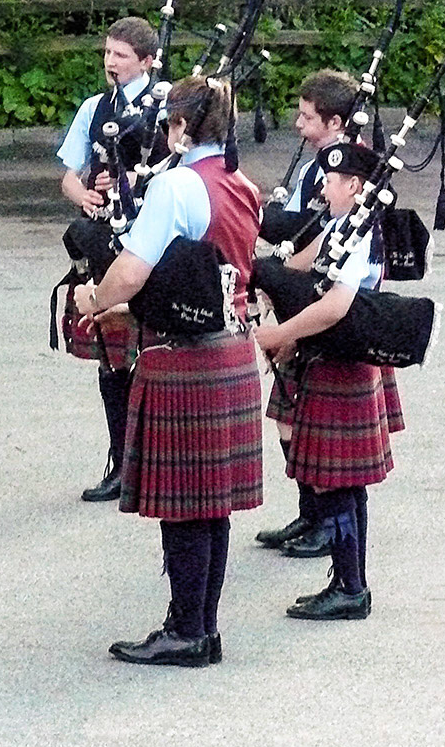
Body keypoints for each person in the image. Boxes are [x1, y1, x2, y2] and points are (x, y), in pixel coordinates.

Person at [74, 75, 263, 667]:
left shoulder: (177, 185)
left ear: (179, 127)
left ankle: (186, 630)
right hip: (233, 350)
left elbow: (132, 271)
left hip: (184, 355)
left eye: (167, 124)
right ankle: (201, 628)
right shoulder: (243, 185)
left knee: (185, 502)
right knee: (213, 504)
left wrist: (94, 299)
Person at [254, 140, 399, 621]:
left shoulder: (361, 233)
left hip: (342, 361)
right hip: (330, 357)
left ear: (355, 186)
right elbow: (299, 266)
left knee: (338, 484)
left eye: (331, 181)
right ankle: (346, 580)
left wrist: (282, 332)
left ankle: (351, 586)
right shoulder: (341, 224)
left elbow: (337, 304)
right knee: (343, 485)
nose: (323, 187)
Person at [56, 16, 165, 502]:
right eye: (107, 53)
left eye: (120, 55)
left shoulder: (167, 108)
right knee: (111, 359)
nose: (110, 62)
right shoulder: (94, 108)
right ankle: (121, 463)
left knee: (151, 359)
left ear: (146, 61)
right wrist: (84, 195)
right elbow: (69, 177)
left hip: (150, 243)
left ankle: (152, 464)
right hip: (104, 241)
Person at [255, 70, 355, 558]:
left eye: (307, 116)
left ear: (335, 122)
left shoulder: (347, 174)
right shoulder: (316, 167)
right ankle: (311, 514)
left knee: (319, 437)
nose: (298, 123)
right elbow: (298, 221)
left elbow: (323, 238)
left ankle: (329, 530)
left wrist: (278, 275)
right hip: (301, 298)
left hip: (321, 307)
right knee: (288, 422)